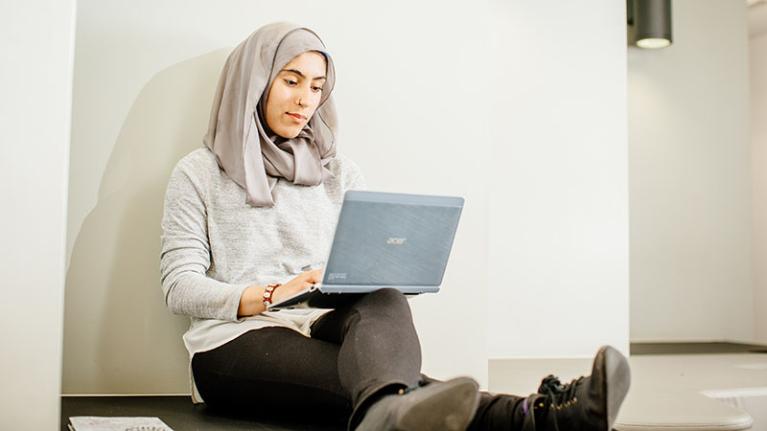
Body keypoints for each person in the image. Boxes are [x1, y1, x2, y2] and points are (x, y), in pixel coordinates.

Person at [160, 22, 631, 431]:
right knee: (385, 387)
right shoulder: (198, 173)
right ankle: (548, 417)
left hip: (320, 322)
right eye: (291, 80)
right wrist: (268, 294)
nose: (307, 99)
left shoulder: (338, 172)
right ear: (256, 80)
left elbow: (361, 268)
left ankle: (389, 415)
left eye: (318, 86)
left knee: (383, 303)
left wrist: (367, 272)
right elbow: (179, 286)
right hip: (236, 344)